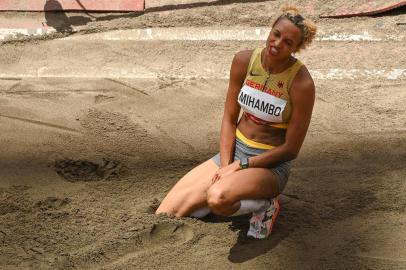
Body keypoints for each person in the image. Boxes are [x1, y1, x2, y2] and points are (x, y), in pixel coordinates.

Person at [156, 5, 317, 239]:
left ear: (296, 49)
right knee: (167, 213)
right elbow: (229, 119)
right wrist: (225, 165)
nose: (277, 43)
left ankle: (264, 206)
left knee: (217, 198)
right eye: (276, 34)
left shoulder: (302, 84)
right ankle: (224, 193)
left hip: (268, 166)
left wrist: (240, 166)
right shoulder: (243, 61)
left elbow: (291, 149)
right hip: (234, 153)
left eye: (288, 42)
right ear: (271, 30)